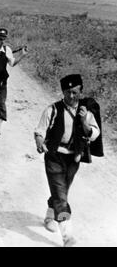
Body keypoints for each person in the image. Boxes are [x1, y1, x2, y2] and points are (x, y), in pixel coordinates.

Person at [34, 74, 103, 247]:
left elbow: (94, 134)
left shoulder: (85, 112)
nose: (71, 96)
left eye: (74, 92)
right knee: (61, 195)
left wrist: (84, 121)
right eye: (67, 92)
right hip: (54, 155)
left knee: (61, 192)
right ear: (62, 92)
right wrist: (40, 141)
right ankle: (67, 236)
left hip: (74, 158)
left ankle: (50, 216)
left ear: (81, 91)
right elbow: (40, 130)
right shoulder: (53, 109)